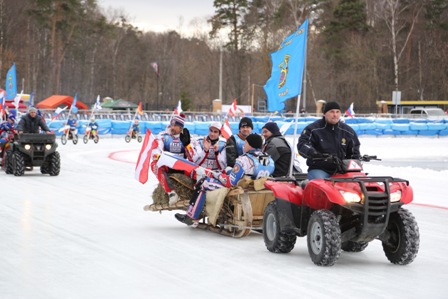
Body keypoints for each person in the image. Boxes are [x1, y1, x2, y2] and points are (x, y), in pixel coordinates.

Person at [175, 133, 274, 226]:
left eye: (246, 142)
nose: (244, 145)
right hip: (256, 189)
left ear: (251, 145)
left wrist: (217, 175)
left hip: (240, 189)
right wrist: (228, 171)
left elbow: (230, 182)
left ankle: (192, 216)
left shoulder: (244, 160)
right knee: (227, 171)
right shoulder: (270, 160)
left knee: (203, 183)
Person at [297, 101, 360, 180]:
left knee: (358, 184)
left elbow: (354, 151)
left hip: (342, 170)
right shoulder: (313, 129)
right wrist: (313, 153)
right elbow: (303, 145)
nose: (335, 115)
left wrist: (354, 162)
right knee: (320, 184)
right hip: (320, 169)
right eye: (332, 112)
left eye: (337, 112)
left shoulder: (348, 132)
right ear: (324, 113)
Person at [151, 114, 191, 206]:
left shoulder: (186, 137)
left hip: (182, 166)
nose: (172, 127)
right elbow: (156, 149)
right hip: (169, 165)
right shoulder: (163, 135)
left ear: (181, 127)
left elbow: (194, 157)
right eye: (171, 125)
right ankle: (171, 192)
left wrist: (188, 145)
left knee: (197, 167)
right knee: (154, 164)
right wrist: (158, 156)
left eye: (175, 125)